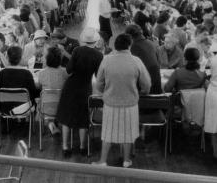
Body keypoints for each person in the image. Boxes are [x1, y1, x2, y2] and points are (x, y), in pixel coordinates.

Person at [92, 34, 151, 167]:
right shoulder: (136, 61)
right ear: (129, 45)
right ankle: (126, 160)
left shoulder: (106, 60)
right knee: (128, 132)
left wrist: (106, 91)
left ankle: (102, 160)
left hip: (111, 102)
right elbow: (147, 85)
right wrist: (141, 92)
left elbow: (99, 83)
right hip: (130, 103)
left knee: (107, 132)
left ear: (115, 46)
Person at [56, 28, 103, 157]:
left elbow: (68, 71)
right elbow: (99, 77)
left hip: (71, 87)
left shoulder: (77, 51)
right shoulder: (99, 55)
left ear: (84, 40)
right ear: (95, 40)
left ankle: (66, 147)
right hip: (85, 87)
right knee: (83, 118)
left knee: (67, 117)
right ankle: (82, 147)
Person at [37, 46, 68, 134]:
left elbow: (39, 87)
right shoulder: (65, 72)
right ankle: (54, 123)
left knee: (41, 100)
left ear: (47, 59)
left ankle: (50, 123)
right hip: (62, 107)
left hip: (46, 108)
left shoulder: (41, 73)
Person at [0, 46, 38, 113]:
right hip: (23, 107)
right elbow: (33, 92)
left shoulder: (2, 73)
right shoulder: (27, 73)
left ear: (7, 57)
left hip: (5, 107)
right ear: (21, 58)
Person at [125, 24, 162, 94]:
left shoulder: (133, 48)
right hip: (157, 85)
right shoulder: (151, 44)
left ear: (129, 37)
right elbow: (159, 62)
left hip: (144, 89)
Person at [204, 43, 217, 159]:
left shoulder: (212, 60)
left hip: (214, 92)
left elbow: (206, 76)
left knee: (214, 124)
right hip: (214, 91)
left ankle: (215, 151)